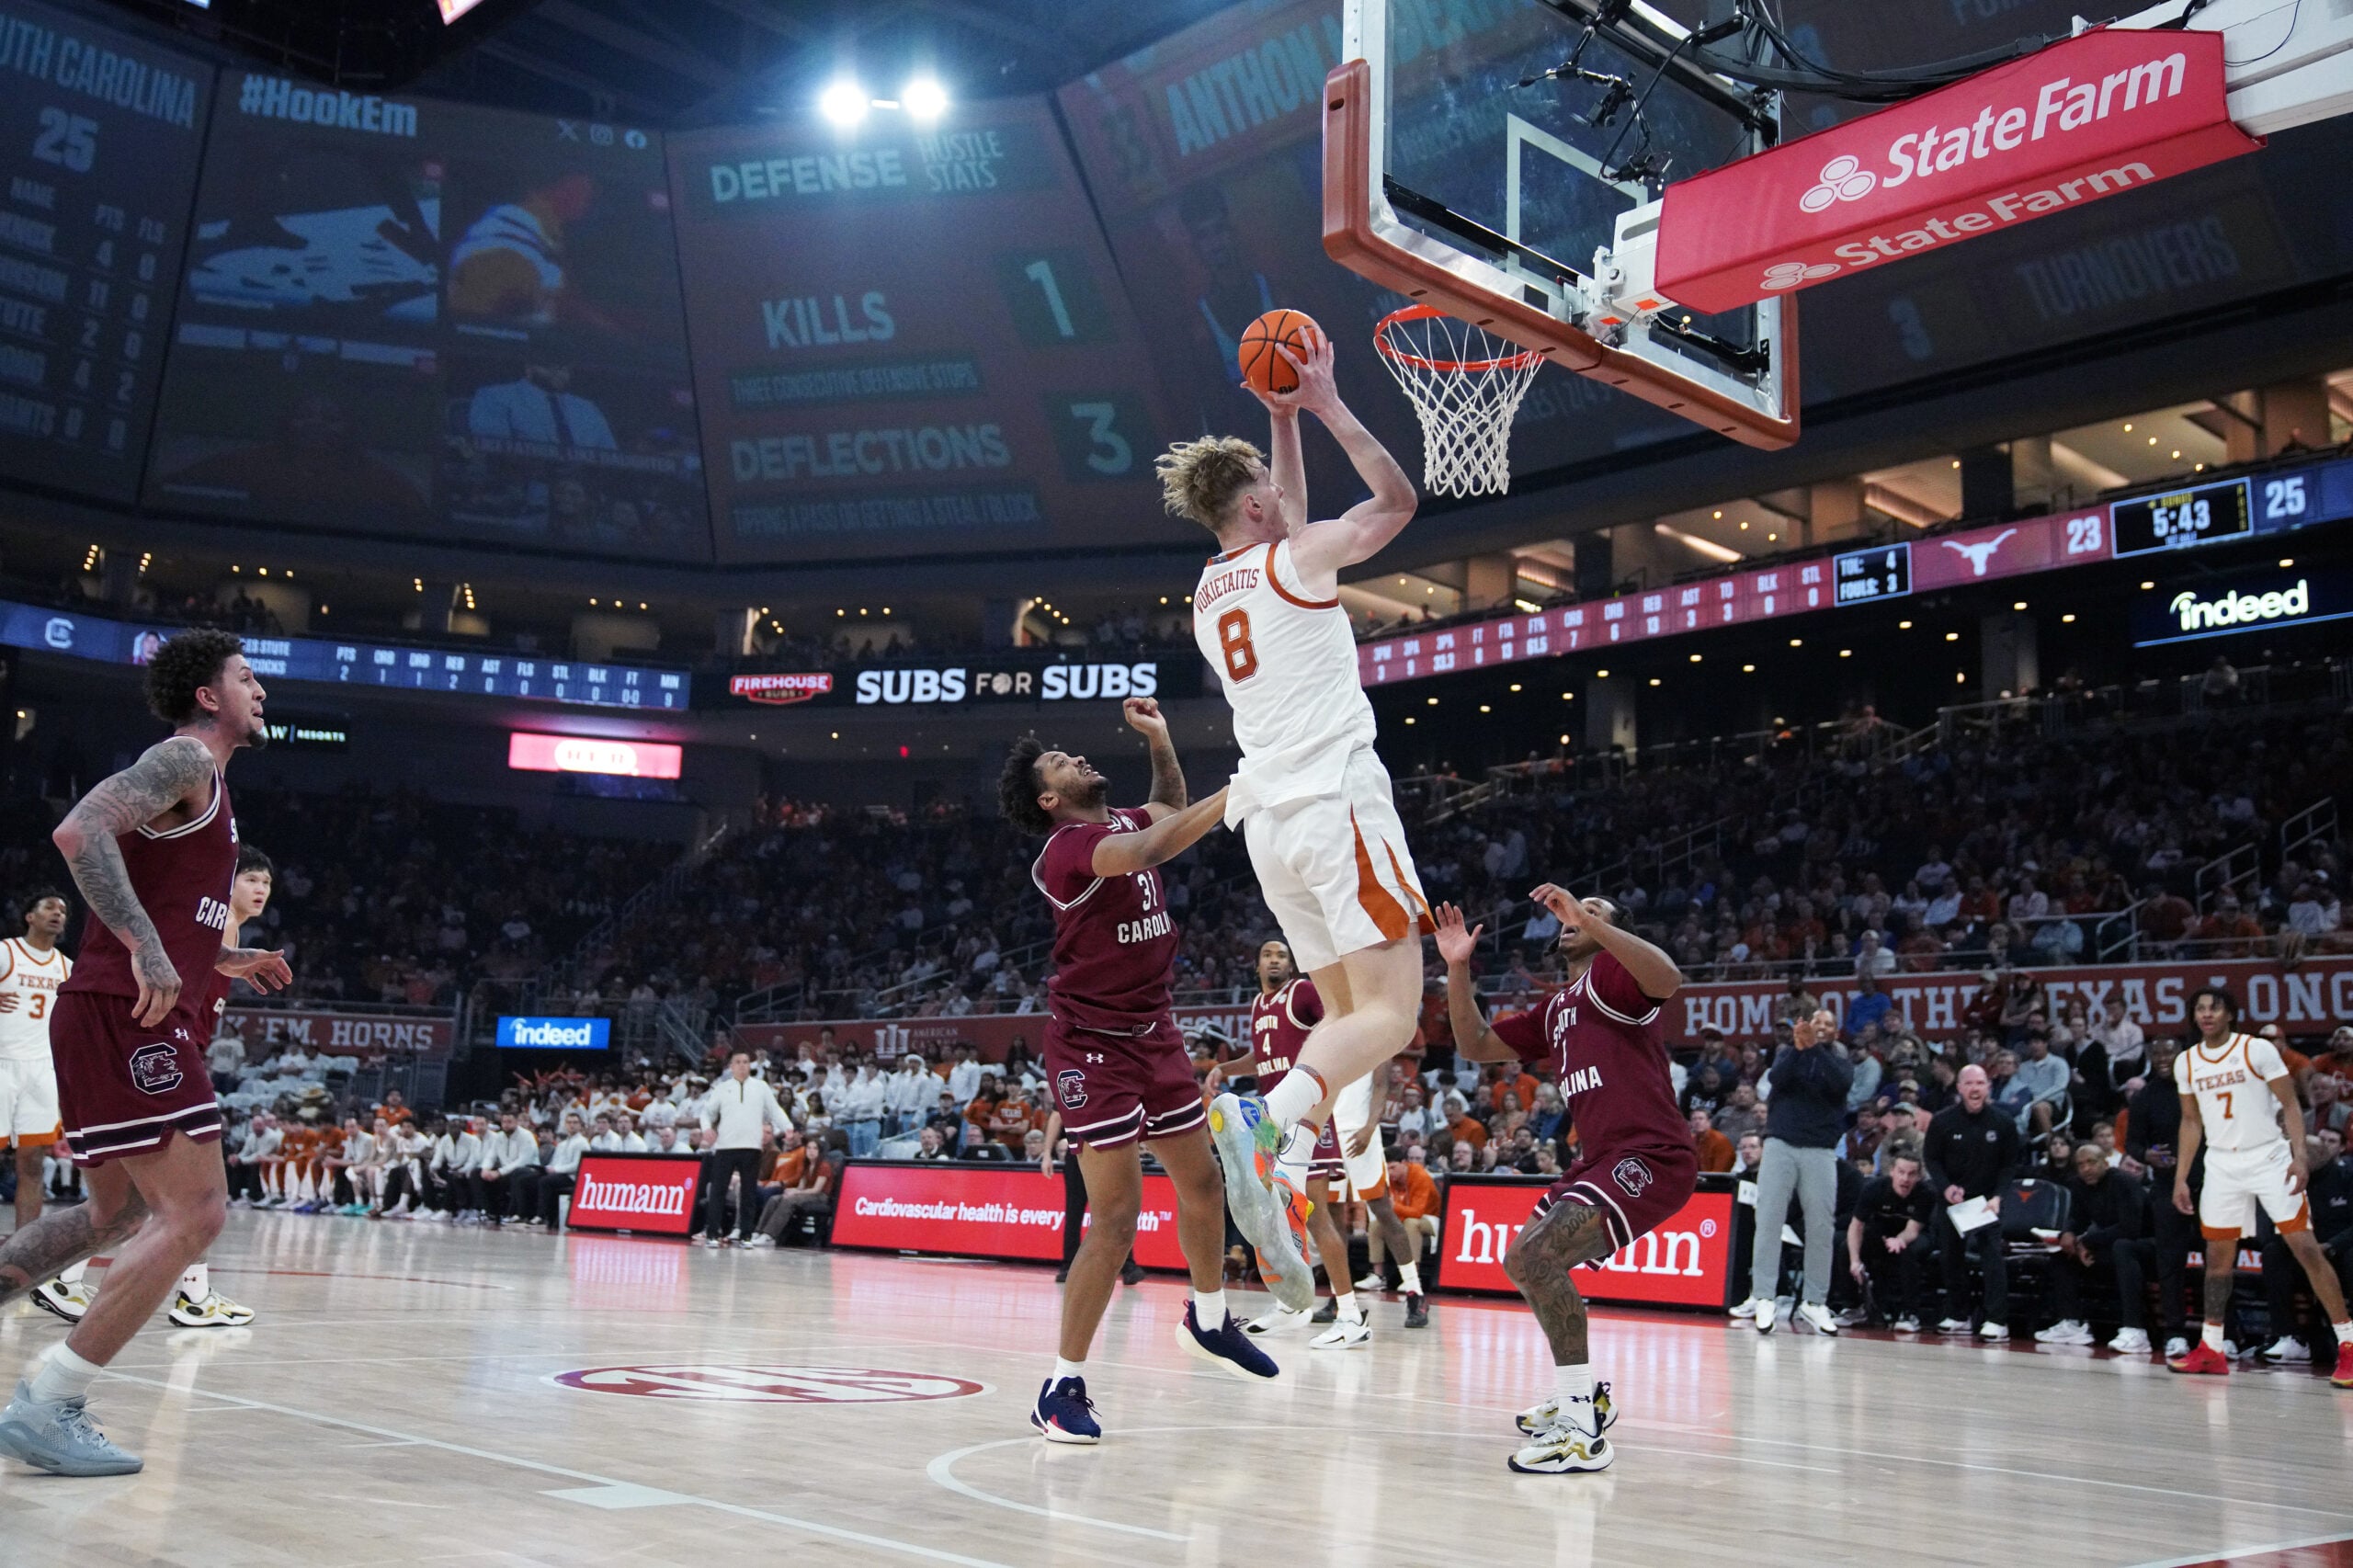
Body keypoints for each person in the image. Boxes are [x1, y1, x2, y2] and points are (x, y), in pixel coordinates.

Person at [0, 630, 290, 1476]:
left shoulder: (212, 790)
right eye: (246, 677)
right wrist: (142, 944)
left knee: (117, 1215)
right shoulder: (184, 761)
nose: (260, 690)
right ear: (208, 696)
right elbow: (79, 832)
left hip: (107, 1011)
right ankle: (50, 1403)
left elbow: (169, 908)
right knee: (197, 1212)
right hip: (130, 1016)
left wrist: (219, 957)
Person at [1173, 328, 1428, 1278]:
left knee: (1343, 1016)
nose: (1285, 496)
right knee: (1394, 1015)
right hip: (1334, 804)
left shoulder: (1209, 590)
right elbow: (1395, 502)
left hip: (1269, 824)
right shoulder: (1297, 560)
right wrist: (1323, 404)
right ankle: (1260, 1116)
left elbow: (1292, 520)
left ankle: (1277, 1165)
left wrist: (1277, 422)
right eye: (1272, 490)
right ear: (1252, 501)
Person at [1003, 696, 1280, 1444]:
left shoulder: (1122, 817)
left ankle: (1211, 1318)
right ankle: (1060, 1386)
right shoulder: (1064, 853)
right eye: (1061, 763)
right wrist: (1242, 790)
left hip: (1152, 1028)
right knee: (1118, 1217)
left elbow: (1165, 811)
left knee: (1203, 1183)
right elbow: (1156, 849)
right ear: (1050, 798)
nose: (1079, 757)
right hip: (1090, 1044)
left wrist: (1161, 739)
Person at [1436, 885, 1690, 1475]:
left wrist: (1595, 924)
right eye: (1577, 913)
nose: (1578, 918)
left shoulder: (1614, 978)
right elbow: (1474, 1044)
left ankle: (1581, 1430)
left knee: (1536, 1256)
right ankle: (1586, 1395)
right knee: (1523, 1262)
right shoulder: (1556, 1007)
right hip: (1599, 1159)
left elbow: (1670, 979)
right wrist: (1458, 967)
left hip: (1651, 1154)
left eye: (1595, 912)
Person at [2166, 987, 2352, 1384]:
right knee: (2216, 1259)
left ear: (2230, 1014)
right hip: (2220, 1162)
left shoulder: (2256, 1050)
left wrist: (2299, 1155)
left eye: (2214, 1007)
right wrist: (2181, 1176)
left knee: (2304, 1247)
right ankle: (2212, 1348)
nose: (2206, 1014)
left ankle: (2348, 1344)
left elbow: (2289, 1104)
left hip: (2268, 1155)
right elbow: (2191, 1121)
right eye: (2200, 1009)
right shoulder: (2186, 1062)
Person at [1222, 939, 1370, 1345]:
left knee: (1315, 1215)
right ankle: (1289, 1304)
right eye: (1267, 954)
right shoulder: (1257, 1005)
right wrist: (1223, 1069)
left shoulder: (1302, 992)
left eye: (1282, 955)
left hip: (1308, 1115)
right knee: (1273, 1211)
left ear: (1292, 964)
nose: (1274, 959)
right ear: (1256, 964)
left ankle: (1351, 1316)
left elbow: (1338, 1031)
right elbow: (1261, 1057)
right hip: (1272, 1123)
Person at [1736, 1008, 1852, 1336]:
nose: (1822, 1027)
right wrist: (1798, 1050)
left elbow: (1840, 1085)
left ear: (1835, 1033)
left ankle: (1815, 1302)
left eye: (1828, 1024)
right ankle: (1763, 1297)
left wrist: (1813, 1048)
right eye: (1817, 1022)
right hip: (1780, 1144)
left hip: (1820, 1150)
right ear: (1808, 1025)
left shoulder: (1840, 1060)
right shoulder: (1789, 1053)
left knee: (1820, 1226)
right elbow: (1776, 1079)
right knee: (1768, 1219)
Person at [1925, 1063, 2021, 1340]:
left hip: (1987, 1202)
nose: (1975, 1088)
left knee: (1992, 1257)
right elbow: (1932, 1159)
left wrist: (1998, 1196)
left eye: (1980, 1083)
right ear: (1960, 1089)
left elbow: (2009, 1165)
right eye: (1969, 1084)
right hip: (1953, 1201)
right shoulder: (1942, 1121)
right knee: (1951, 1258)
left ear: (1988, 1087)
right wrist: (1945, 1188)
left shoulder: (2003, 1122)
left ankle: (1996, 1320)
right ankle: (1958, 1315)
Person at [1, 891, 72, 1238]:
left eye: (62, 909)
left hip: (43, 1070)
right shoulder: (5, 951)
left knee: (31, 1163)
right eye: (48, 907)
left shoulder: (66, 967)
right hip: (2, 1065)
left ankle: (22, 1253)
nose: (57, 913)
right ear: (30, 916)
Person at [2037, 1141, 2150, 1350]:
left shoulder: (2123, 1182)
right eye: (2081, 1164)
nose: (2086, 1168)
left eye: (2091, 1162)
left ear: (2105, 1163)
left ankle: (2134, 1329)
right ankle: (2071, 1323)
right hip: (2110, 1244)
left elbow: (2131, 1228)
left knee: (2123, 1247)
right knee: (2062, 1252)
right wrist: (2068, 1234)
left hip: (2144, 1248)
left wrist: (2086, 1241)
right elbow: (2077, 1217)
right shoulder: (2079, 1185)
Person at [2259, 1127, 2351, 1365]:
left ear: (2321, 1154)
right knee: (2273, 1252)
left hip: (2340, 1252)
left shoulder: (2346, 1176)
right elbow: (2273, 1226)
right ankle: (2290, 1337)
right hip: (2306, 1255)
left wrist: (2331, 1245)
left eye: (2301, 1153)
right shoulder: (2287, 1182)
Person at [691, 1050, 793, 1247]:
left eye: (746, 1062)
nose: (742, 1065)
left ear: (750, 1065)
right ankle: (712, 1234)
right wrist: (706, 1130)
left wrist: (788, 1126)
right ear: (731, 1066)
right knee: (717, 1192)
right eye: (737, 1062)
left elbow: (775, 1110)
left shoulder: (761, 1087)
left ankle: (746, 1235)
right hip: (725, 1147)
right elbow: (707, 1114)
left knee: (748, 1194)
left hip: (751, 1148)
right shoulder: (722, 1088)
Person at [1847, 1142, 1934, 1331]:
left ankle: (1910, 1314)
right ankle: (1853, 1307)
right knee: (1843, 1245)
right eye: (1901, 1172)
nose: (1905, 1179)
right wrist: (1855, 1261)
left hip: (1914, 1236)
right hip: (1881, 1233)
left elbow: (1913, 1229)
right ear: (1892, 1171)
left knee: (1908, 1251)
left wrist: (1900, 1240)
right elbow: (1856, 1226)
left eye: (1911, 1174)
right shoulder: (1873, 1188)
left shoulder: (1925, 1193)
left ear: (1918, 1176)